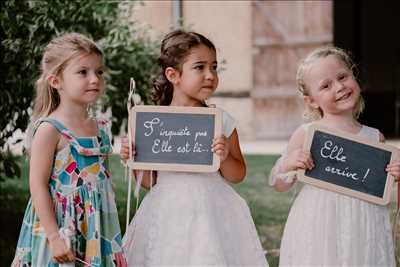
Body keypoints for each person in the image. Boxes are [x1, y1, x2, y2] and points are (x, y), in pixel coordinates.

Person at [121, 30, 268, 266]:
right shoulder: (152, 123)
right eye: (200, 67)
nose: (210, 75)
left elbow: (238, 174)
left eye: (214, 67)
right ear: (173, 75)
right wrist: (133, 160)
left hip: (211, 209)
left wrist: (225, 156)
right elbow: (149, 181)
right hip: (167, 209)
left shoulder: (221, 120)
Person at [269, 46, 400, 266]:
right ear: (311, 101)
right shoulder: (308, 134)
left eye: (342, 77)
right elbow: (279, 184)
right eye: (326, 85)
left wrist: (397, 176)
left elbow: (386, 190)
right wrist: (289, 164)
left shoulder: (374, 138)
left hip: (364, 222)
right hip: (319, 221)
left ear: (354, 76)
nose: (339, 87)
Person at [11, 32, 127, 267]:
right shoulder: (50, 130)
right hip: (60, 227)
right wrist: (54, 237)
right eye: (83, 72)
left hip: (96, 227)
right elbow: (37, 185)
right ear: (56, 82)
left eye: (99, 72)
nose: (95, 79)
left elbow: (101, 177)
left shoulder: (100, 126)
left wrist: (129, 155)